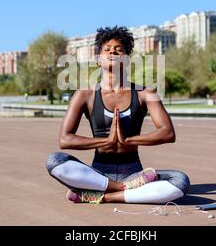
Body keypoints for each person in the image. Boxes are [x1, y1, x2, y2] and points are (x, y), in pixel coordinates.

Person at [46, 26, 190, 204]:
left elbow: (167, 132)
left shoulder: (145, 93)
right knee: (54, 161)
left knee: (181, 181)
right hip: (97, 174)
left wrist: (128, 140)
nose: (112, 52)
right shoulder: (85, 94)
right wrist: (107, 141)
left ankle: (105, 196)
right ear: (98, 60)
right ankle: (119, 188)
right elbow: (65, 140)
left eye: (118, 49)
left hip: (135, 174)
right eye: (106, 49)